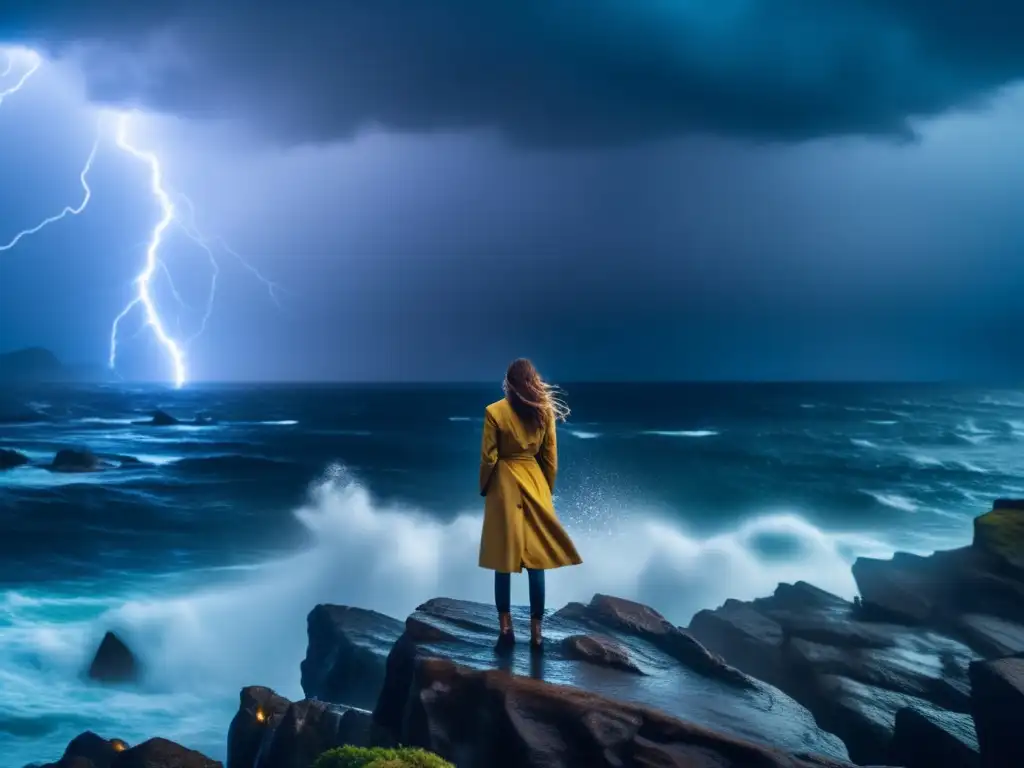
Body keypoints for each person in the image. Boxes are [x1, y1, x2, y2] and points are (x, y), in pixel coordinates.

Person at [478, 358, 582, 651]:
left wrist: (485, 486)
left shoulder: (494, 412)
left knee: (503, 558)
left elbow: (488, 458)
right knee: (538, 560)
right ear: (532, 381)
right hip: (535, 482)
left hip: (504, 485)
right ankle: (537, 632)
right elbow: (550, 458)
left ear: (508, 383)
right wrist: (544, 491)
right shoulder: (544, 412)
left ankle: (506, 628)